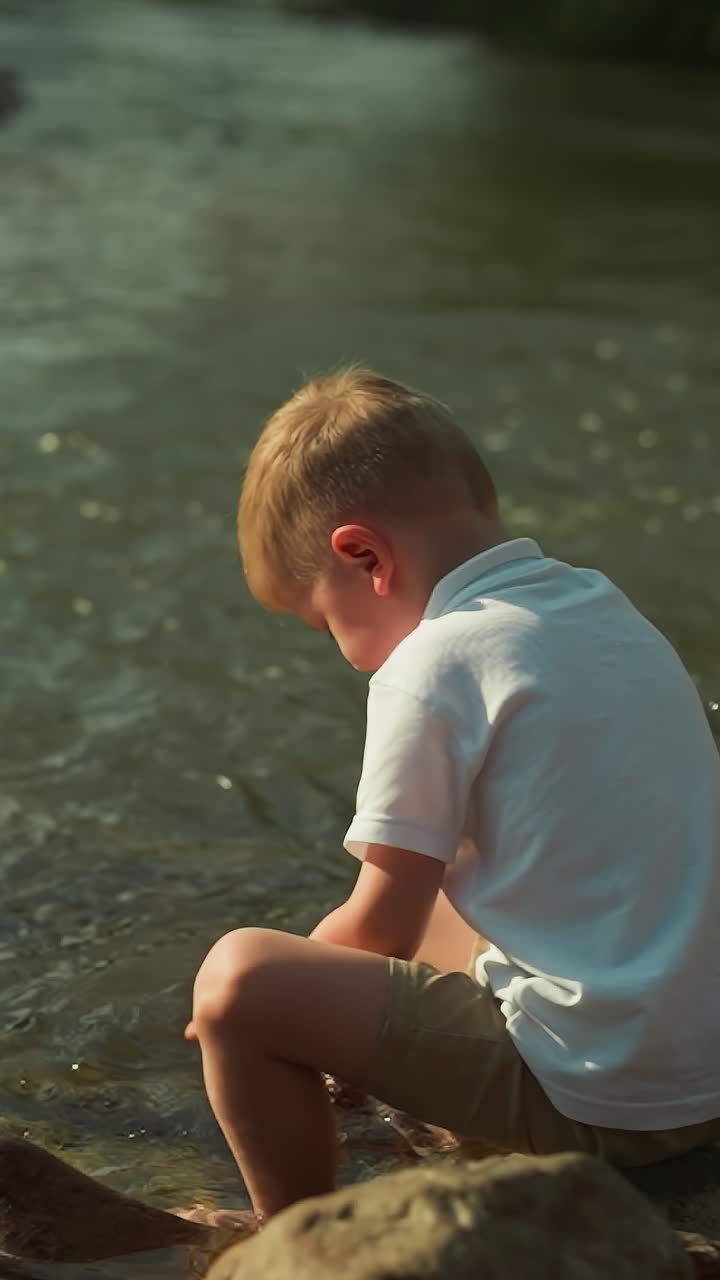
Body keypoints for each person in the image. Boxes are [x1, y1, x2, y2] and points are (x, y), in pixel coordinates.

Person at [184, 367, 720, 1224]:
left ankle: (293, 1238)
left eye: (326, 625)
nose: (346, 655)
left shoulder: (432, 664)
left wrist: (275, 1009)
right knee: (446, 889)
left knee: (238, 985)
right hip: (700, 1070)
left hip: (601, 1102)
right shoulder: (604, 609)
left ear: (364, 557)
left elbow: (379, 927)